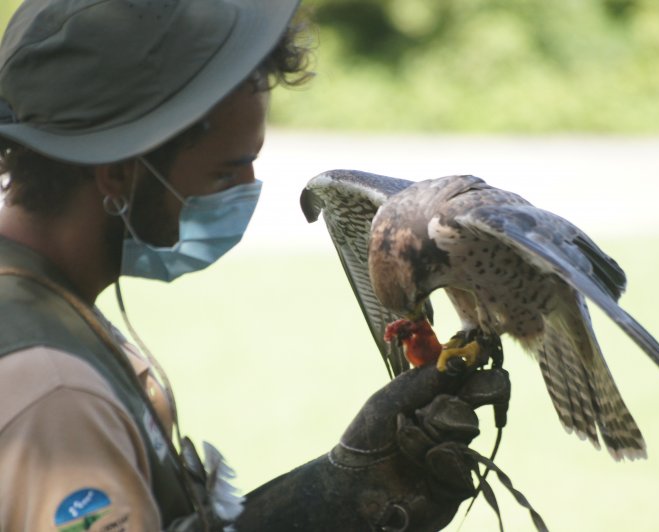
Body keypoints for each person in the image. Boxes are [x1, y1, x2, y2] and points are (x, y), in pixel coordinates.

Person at [0, 1, 510, 530]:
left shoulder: (44, 306)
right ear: (117, 172)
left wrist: (342, 492)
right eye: (226, 173)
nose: (248, 191)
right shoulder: (53, 391)